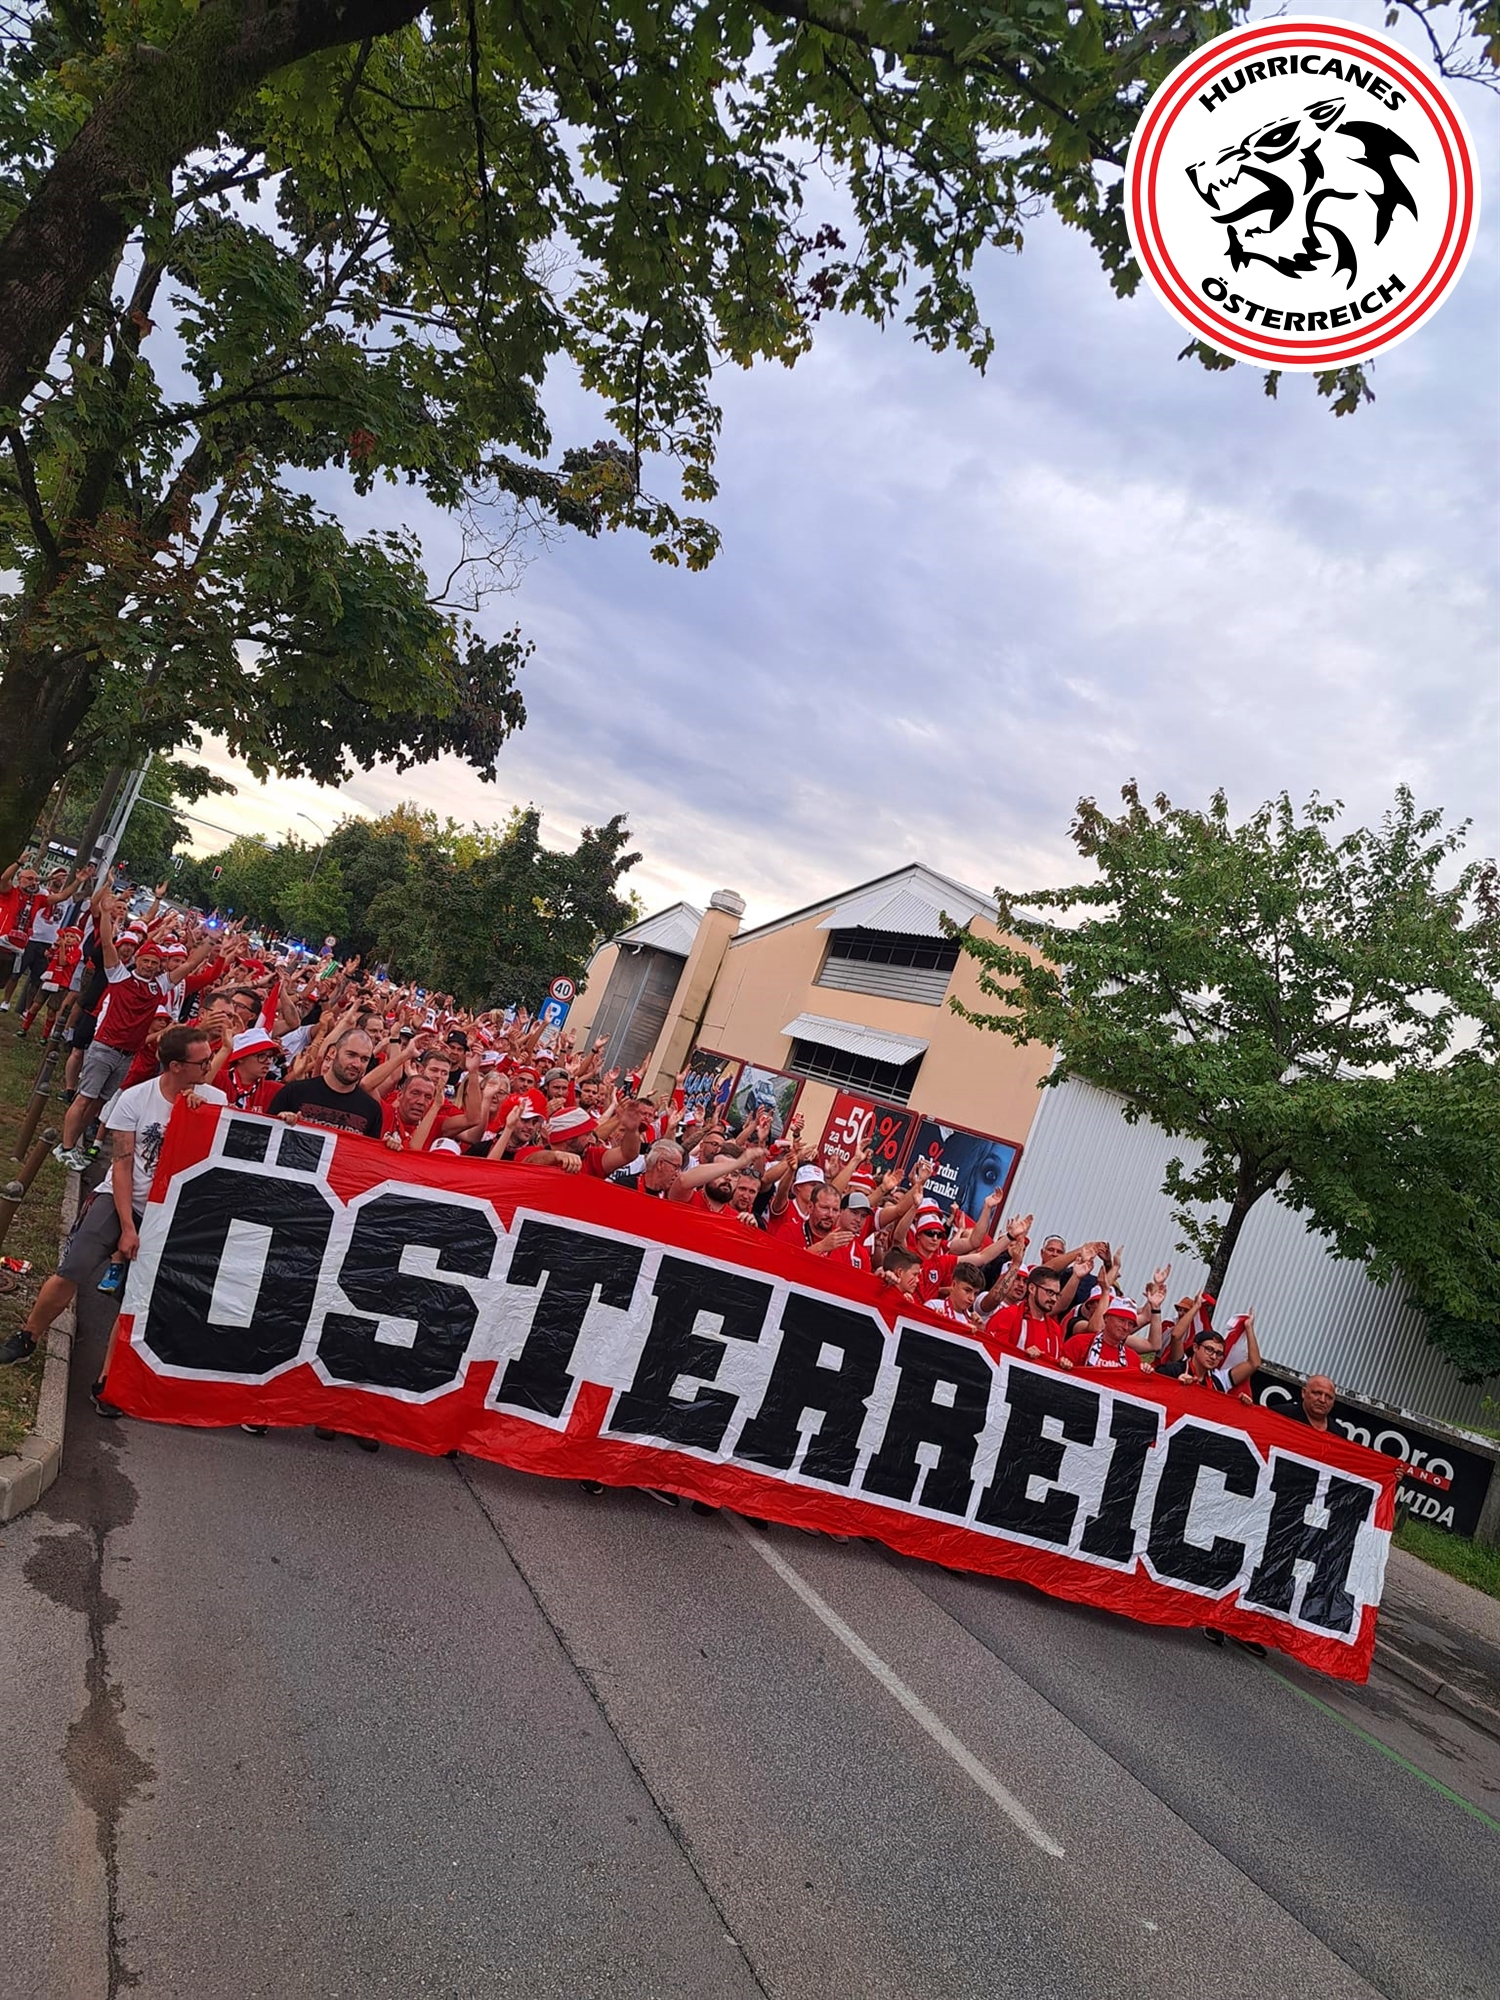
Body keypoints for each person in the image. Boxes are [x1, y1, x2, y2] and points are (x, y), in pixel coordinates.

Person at [0, 1024, 225, 1384]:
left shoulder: (214, 1101)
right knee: (74, 1266)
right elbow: (122, 1165)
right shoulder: (136, 1098)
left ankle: (108, 1378)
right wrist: (128, 1227)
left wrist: (201, 1118)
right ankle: (28, 1336)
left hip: (169, 1213)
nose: (209, 1067)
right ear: (176, 1066)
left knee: (136, 1298)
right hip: (122, 1198)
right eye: (202, 1062)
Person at [54, 897, 218, 1169]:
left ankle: (74, 1147)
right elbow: (108, 945)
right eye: (146, 960)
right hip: (105, 1047)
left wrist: (211, 941)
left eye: (155, 962)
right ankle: (66, 1147)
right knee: (85, 1098)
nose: (150, 966)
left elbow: (189, 966)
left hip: (128, 1055)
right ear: (138, 960)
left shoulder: (159, 986)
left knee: (99, 1103)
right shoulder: (119, 976)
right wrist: (105, 914)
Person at [268, 1029, 384, 1137]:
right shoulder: (294, 1092)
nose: (357, 1064)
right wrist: (280, 1121)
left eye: (364, 1059)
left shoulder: (372, 1109)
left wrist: (388, 1146)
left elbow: (369, 1150)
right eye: (351, 1055)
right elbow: (264, 1137)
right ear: (333, 1053)